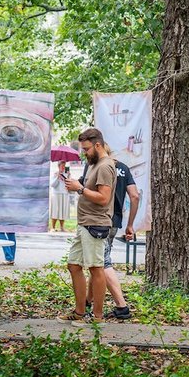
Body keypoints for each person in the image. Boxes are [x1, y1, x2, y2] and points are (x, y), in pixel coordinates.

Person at [60, 128, 116, 326]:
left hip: (96, 223)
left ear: (97, 145)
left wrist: (80, 189)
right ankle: (79, 312)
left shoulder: (105, 166)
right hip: (84, 222)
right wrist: (77, 186)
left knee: (96, 268)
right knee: (74, 265)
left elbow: (104, 198)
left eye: (86, 149)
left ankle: (98, 317)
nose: (84, 152)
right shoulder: (93, 164)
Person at [88, 158, 140, 320]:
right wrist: (130, 224)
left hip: (98, 219)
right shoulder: (123, 167)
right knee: (96, 261)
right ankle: (87, 300)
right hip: (115, 221)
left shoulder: (98, 167)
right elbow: (134, 196)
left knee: (103, 262)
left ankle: (121, 306)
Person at [49, 160, 72, 233]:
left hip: (64, 193)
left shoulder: (67, 174)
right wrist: (57, 177)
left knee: (63, 210)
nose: (63, 167)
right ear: (59, 166)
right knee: (56, 210)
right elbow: (52, 185)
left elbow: (69, 184)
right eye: (62, 165)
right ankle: (53, 227)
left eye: (64, 165)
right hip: (56, 194)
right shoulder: (55, 173)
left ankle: (62, 227)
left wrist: (68, 176)